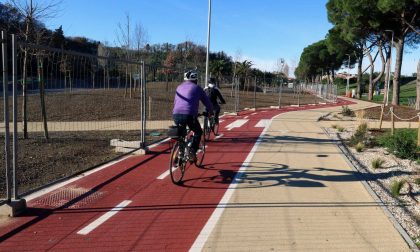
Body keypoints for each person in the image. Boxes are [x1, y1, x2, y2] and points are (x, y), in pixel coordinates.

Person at [172, 69, 213, 161]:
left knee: (181, 134)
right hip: (189, 115)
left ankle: (180, 153)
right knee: (198, 132)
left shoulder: (179, 87)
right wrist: (211, 112)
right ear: (195, 79)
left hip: (176, 114)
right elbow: (207, 102)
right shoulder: (197, 88)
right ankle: (192, 152)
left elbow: (176, 101)